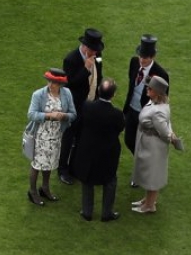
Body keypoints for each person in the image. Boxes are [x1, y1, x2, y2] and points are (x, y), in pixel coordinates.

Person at [58, 29, 104, 183]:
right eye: (92, 50)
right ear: (84, 46)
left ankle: (74, 168)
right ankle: (62, 169)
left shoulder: (97, 57)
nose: (95, 53)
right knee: (68, 138)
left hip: (90, 105)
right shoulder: (71, 59)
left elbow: (99, 75)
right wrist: (85, 69)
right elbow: (70, 83)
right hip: (74, 106)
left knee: (82, 138)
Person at [130, 76, 181, 213]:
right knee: (149, 174)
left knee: (152, 176)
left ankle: (149, 206)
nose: (147, 89)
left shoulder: (158, 111)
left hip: (153, 146)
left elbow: (164, 131)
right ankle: (147, 200)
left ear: (157, 92)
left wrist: (171, 135)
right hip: (148, 142)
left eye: (150, 88)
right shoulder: (156, 103)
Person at [74, 78, 123, 221]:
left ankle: (87, 211)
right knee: (110, 180)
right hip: (108, 152)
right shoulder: (117, 114)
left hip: (88, 149)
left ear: (98, 91)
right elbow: (120, 128)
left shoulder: (87, 107)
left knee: (88, 179)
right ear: (113, 95)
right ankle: (107, 213)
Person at [24, 69, 75, 206]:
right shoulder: (38, 94)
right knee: (37, 164)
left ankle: (45, 188)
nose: (51, 84)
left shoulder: (67, 94)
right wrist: (49, 116)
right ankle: (33, 191)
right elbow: (31, 114)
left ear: (61, 84)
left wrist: (64, 116)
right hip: (40, 135)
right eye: (50, 81)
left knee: (50, 163)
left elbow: (73, 114)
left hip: (56, 135)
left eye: (55, 83)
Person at [121, 35, 168, 150]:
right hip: (131, 110)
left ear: (153, 57)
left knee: (144, 144)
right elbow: (131, 84)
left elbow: (163, 98)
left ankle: (144, 164)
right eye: (140, 56)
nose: (141, 60)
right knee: (129, 140)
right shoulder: (134, 62)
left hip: (147, 114)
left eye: (145, 58)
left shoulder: (160, 74)